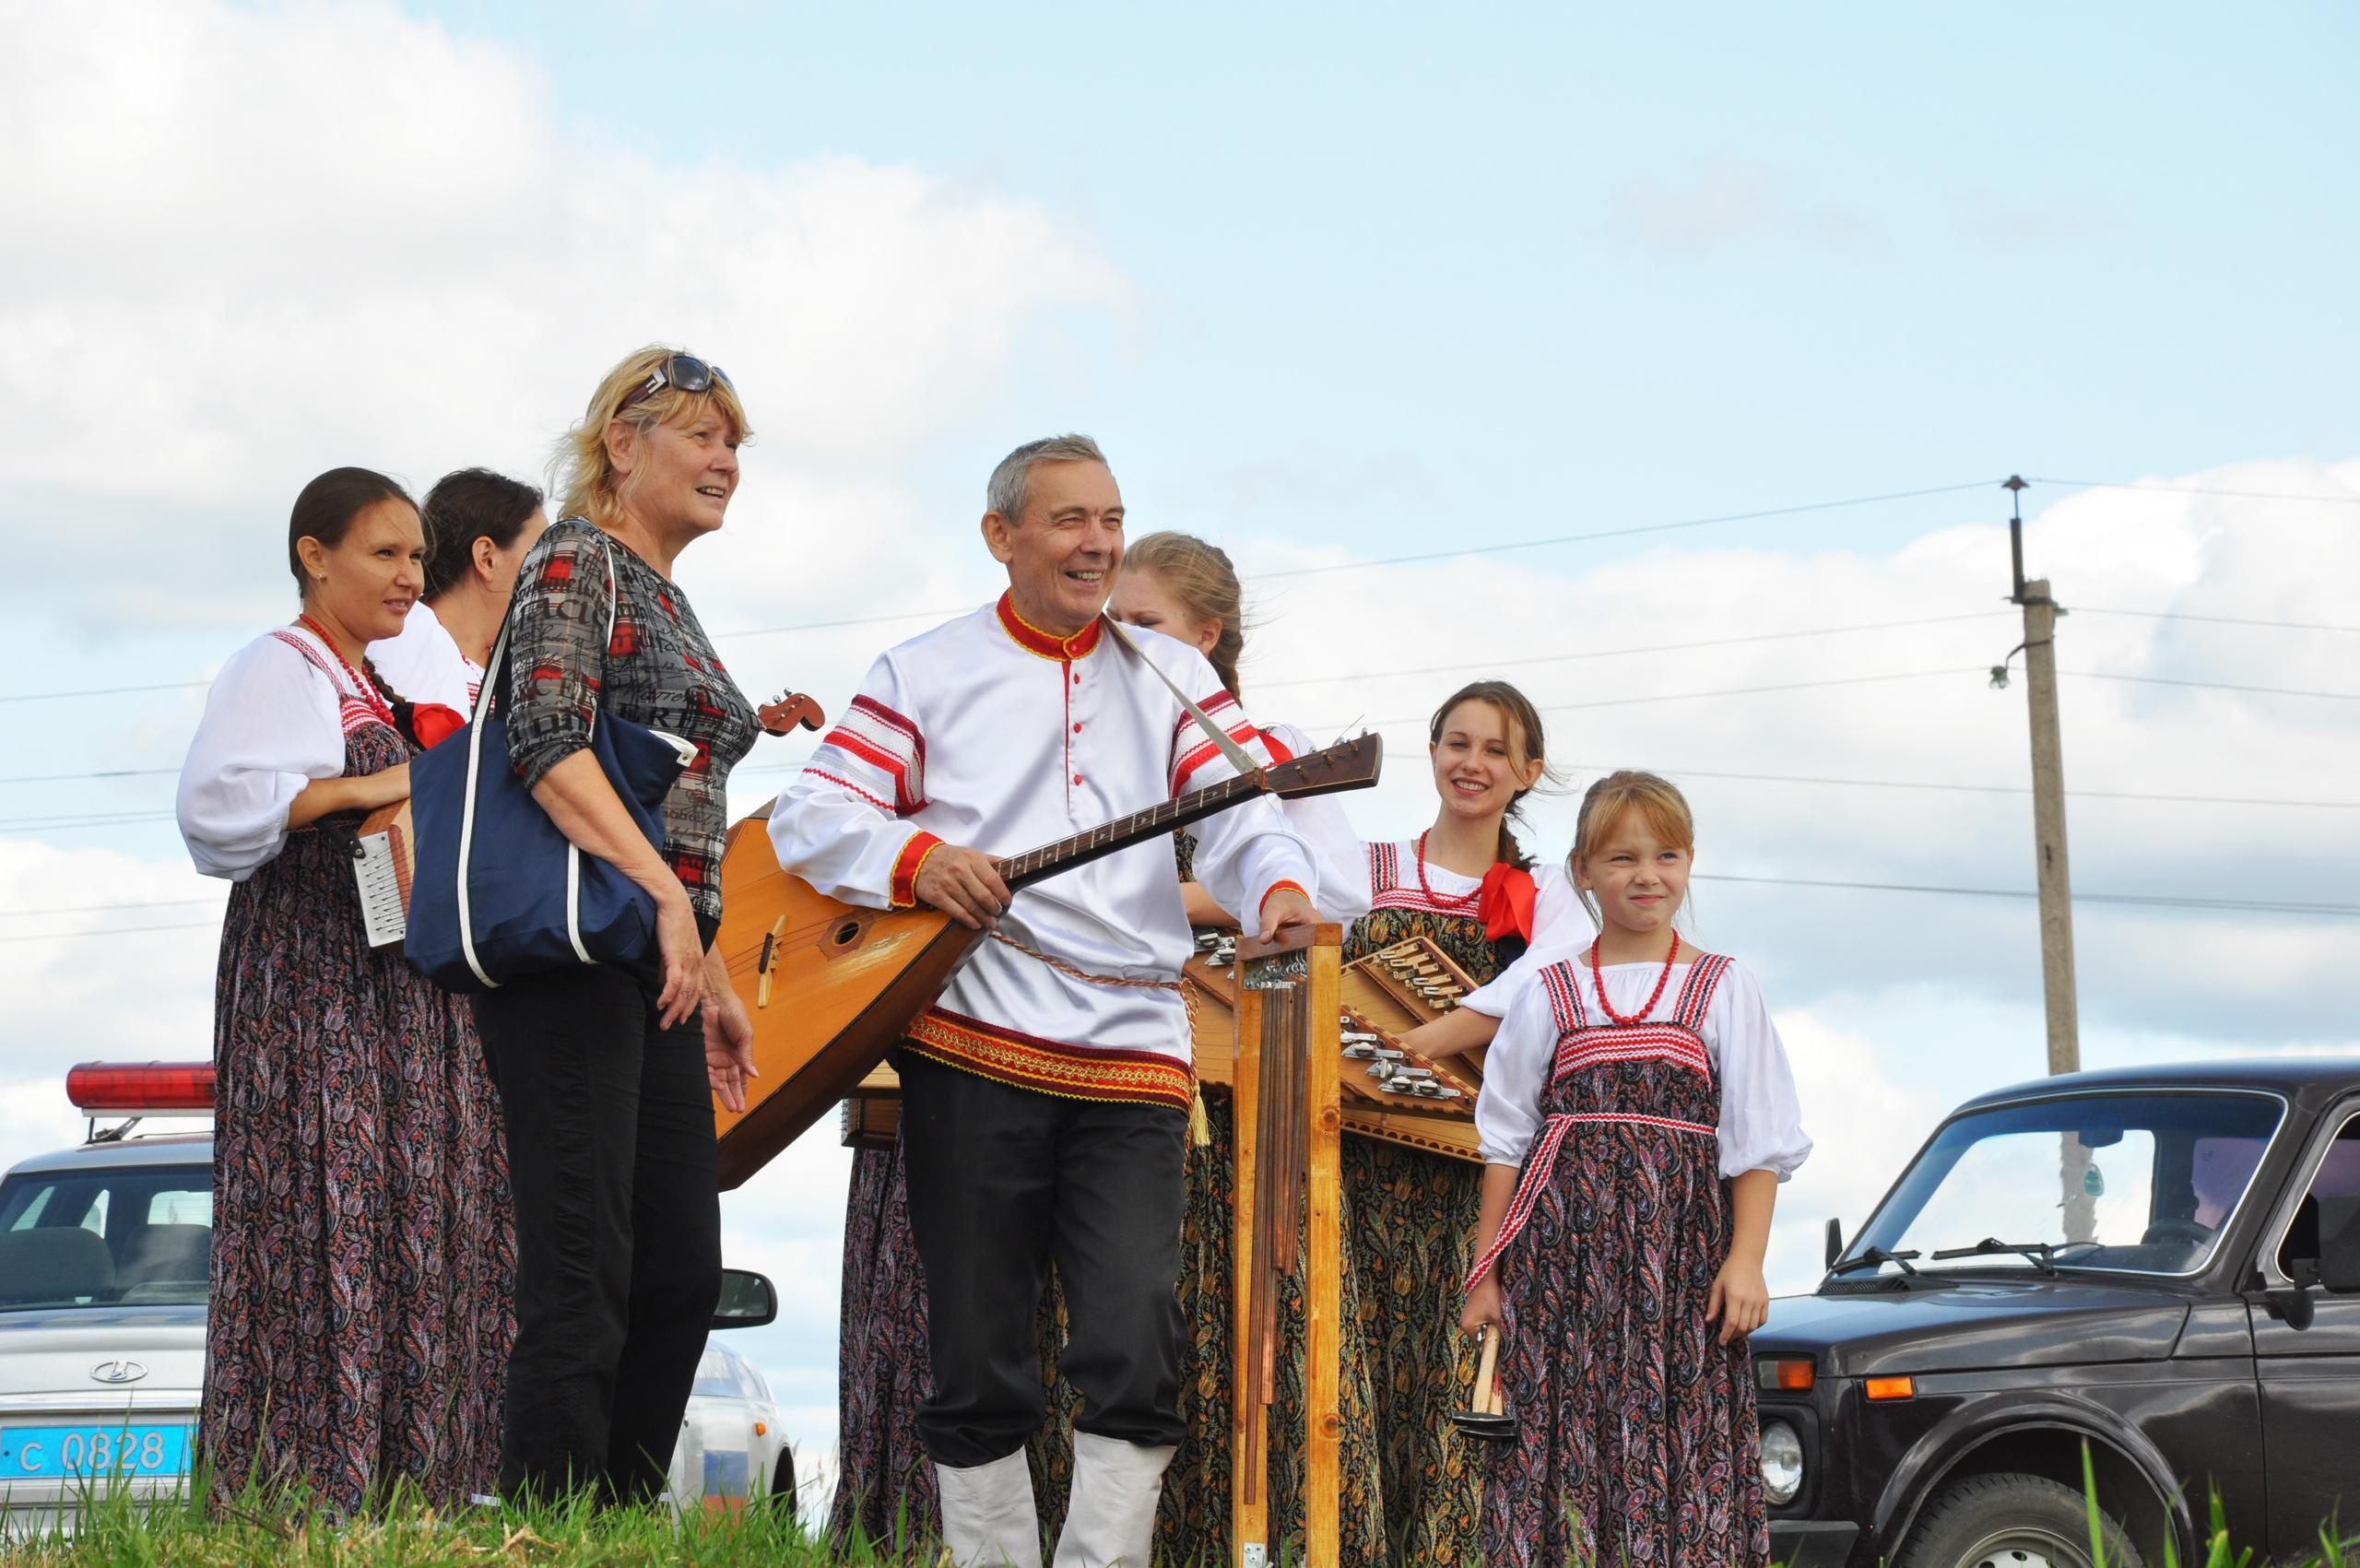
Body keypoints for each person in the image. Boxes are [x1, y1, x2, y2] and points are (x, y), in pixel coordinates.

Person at [772, 434, 1322, 1568]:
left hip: (1133, 1047)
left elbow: (1247, 811)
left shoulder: (1172, 674)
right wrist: (917, 860)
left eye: (1111, 519)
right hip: (971, 1036)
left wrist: (1274, 883)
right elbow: (810, 814)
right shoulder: (922, 670)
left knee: (1135, 1334)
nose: (1098, 542)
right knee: (978, 1351)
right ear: (1001, 537)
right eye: (1070, 520)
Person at [176, 466, 512, 1513]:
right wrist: (377, 784)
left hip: (402, 995)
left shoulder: (377, 679)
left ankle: (419, 1482)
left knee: (415, 1210)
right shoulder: (279, 667)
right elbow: (220, 808)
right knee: (330, 1207)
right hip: (318, 990)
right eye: (385, 553)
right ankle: (307, 1484)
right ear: (314, 556)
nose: (410, 575)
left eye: (418, 555)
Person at [469, 347, 761, 1503]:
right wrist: (659, 901)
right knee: (584, 1266)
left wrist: (716, 967)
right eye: (701, 435)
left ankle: (620, 1516)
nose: (726, 460)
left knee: (681, 1271)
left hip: (654, 962)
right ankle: (549, 1516)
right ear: (624, 445)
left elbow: (671, 803)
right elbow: (546, 742)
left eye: (735, 442)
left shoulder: (661, 587)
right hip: (570, 956)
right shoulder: (571, 559)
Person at [1461, 771, 1810, 1567]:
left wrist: (1747, 1258)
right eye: (1621, 858)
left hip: (1681, 1268)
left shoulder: (1722, 985)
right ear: (1581, 869)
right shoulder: (1549, 992)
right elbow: (1506, 1139)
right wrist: (1487, 1273)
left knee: (1676, 1447)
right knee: (1559, 1447)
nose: (1646, 875)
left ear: (1690, 862)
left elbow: (1757, 1138)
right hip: (1560, 1269)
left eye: (1667, 854)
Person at [1328, 678, 1581, 1564]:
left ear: (1528, 771)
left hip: (1476, 1174)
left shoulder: (1545, 892)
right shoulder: (1364, 867)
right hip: (1355, 1165)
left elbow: (1537, 986)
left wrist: (1407, 1044)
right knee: (1356, 1364)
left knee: (1457, 1371)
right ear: (1432, 751)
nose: (1471, 764)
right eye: (1457, 743)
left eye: (1494, 750)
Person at [369, 467, 549, 713]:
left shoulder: (514, 671)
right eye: (542, 557)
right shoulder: (404, 646)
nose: (555, 573)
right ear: (487, 558)